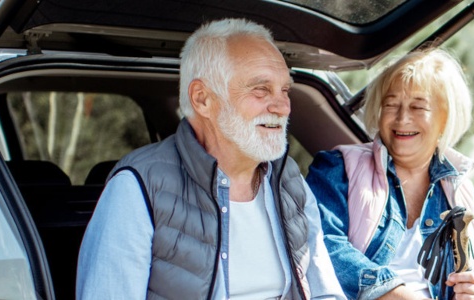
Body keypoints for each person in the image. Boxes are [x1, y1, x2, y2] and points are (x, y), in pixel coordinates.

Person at [76, 18, 345, 299]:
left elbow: (325, 292)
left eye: (285, 90)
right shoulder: (137, 187)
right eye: (260, 89)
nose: (283, 106)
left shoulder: (289, 180)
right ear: (202, 98)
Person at [306, 48, 474, 300]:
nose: (402, 118)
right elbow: (321, 243)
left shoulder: (464, 195)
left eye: (418, 107)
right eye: (391, 105)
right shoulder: (338, 167)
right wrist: (390, 291)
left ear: (445, 119)